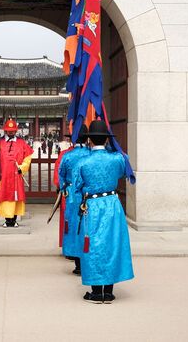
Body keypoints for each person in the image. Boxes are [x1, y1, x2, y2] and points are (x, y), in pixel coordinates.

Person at [72, 120, 134, 304]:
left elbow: (76, 187)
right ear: (107, 140)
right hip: (112, 204)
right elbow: (125, 165)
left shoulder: (83, 162)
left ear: (89, 140)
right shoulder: (117, 159)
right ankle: (109, 291)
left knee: (93, 245)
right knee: (112, 243)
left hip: (92, 205)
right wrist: (115, 148)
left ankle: (96, 291)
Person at [54, 125, 90, 275]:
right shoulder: (90, 154)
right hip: (88, 194)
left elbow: (60, 175)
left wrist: (63, 187)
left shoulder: (66, 156)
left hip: (71, 195)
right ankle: (87, 259)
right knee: (87, 226)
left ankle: (77, 262)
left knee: (73, 225)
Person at [0, 118, 33, 227]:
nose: (11, 133)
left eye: (13, 131)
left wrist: (22, 168)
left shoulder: (21, 143)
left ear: (16, 131)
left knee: (15, 196)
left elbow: (28, 157)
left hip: (16, 176)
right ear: (5, 131)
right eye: (9, 131)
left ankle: (13, 219)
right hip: (3, 176)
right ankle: (7, 220)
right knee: (4, 196)